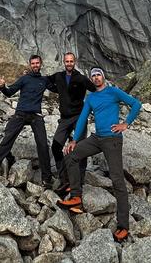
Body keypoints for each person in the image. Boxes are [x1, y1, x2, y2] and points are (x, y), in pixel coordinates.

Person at [56, 66, 141, 243]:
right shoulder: (91, 97)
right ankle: (76, 197)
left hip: (112, 139)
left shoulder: (113, 92)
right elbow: (82, 119)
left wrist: (126, 124)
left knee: (117, 180)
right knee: (71, 155)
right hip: (97, 138)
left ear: (103, 77)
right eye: (93, 75)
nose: (95, 78)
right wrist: (74, 140)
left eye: (98, 75)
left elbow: (136, 104)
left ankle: (123, 226)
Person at [0, 54, 53, 188]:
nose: (35, 65)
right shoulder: (24, 79)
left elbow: (57, 88)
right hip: (21, 114)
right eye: (33, 63)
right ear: (29, 64)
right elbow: (9, 92)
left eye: (37, 63)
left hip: (36, 115)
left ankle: (47, 179)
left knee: (43, 145)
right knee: (7, 140)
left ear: (41, 64)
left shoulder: (44, 80)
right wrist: (3, 87)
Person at [45, 52, 96, 196]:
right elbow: (45, 80)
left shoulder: (80, 78)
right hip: (65, 118)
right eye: (67, 61)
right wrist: (56, 89)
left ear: (75, 62)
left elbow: (95, 88)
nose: (69, 63)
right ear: (63, 62)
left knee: (81, 148)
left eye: (71, 61)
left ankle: (79, 181)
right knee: (56, 146)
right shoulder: (59, 76)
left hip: (79, 117)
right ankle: (64, 179)